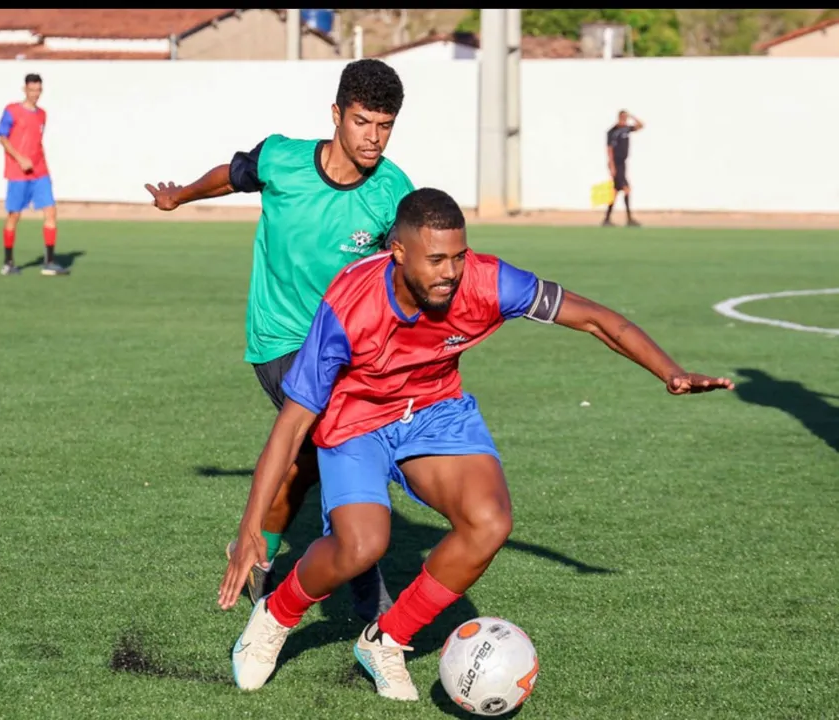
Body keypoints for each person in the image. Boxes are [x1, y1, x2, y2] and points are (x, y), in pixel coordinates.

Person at [219, 187, 734, 701]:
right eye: (436, 259)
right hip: (357, 418)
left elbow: (596, 318)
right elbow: (290, 428)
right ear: (397, 252)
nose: (450, 272)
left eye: (459, 257)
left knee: (490, 522)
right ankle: (277, 613)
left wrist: (670, 371)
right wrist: (249, 530)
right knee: (361, 544)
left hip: (435, 410)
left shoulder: (489, 281)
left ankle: (386, 640)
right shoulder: (348, 308)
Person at [145, 59, 415, 622]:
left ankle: (262, 551)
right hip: (281, 339)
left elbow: (408, 268)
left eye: (385, 126)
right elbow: (233, 174)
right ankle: (373, 602)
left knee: (313, 462)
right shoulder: (283, 158)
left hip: (348, 348)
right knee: (341, 441)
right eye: (363, 122)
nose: (373, 137)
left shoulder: (393, 191)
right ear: (337, 115)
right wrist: (181, 197)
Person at [0, 73, 68, 277]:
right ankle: (8, 262)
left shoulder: (42, 114)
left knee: (51, 211)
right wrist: (20, 159)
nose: (35, 94)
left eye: (38, 90)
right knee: (14, 215)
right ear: (24, 89)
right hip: (18, 173)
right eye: (32, 90)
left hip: (40, 171)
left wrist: (36, 160)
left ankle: (49, 262)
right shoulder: (12, 111)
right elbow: (2, 137)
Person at [603, 109, 644, 227]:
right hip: (617, 163)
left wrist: (632, 116)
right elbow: (609, 149)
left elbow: (641, 125)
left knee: (615, 192)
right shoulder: (613, 131)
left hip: (623, 163)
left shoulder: (626, 129)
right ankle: (629, 218)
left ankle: (607, 218)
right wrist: (611, 165)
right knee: (626, 189)